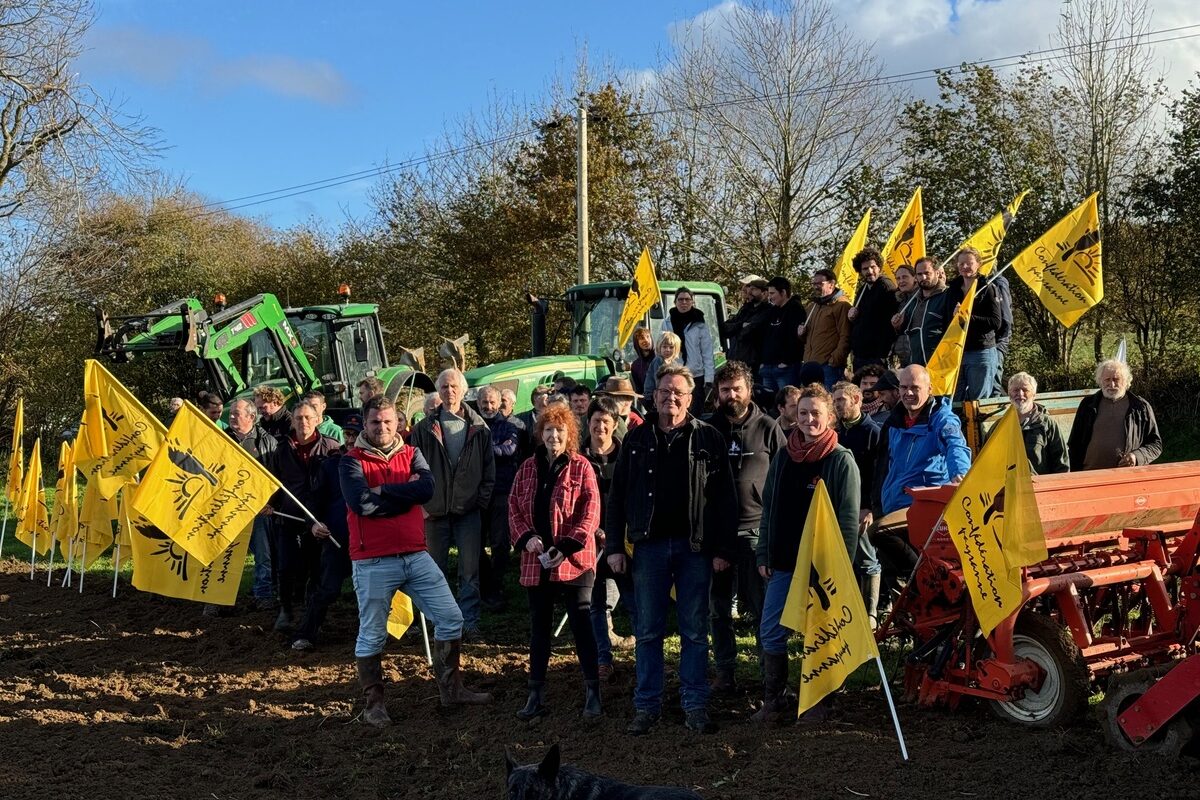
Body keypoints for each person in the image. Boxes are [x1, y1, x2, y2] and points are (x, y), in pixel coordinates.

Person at [341, 396, 491, 726]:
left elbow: (426, 490)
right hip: (373, 560)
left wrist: (382, 493)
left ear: (399, 424)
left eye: (387, 422)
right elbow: (359, 502)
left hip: (415, 553)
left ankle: (451, 690)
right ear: (365, 424)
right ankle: (373, 704)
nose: (381, 427)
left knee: (452, 618)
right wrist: (401, 495)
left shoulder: (412, 453)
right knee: (372, 634)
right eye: (375, 422)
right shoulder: (351, 461)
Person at [605, 364, 738, 736]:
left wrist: (723, 548)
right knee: (648, 631)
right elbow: (616, 498)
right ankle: (647, 706)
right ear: (654, 396)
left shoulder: (708, 438)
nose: (671, 398)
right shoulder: (636, 439)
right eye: (665, 392)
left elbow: (725, 498)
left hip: (695, 549)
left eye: (679, 392)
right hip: (647, 547)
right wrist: (615, 545)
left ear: (690, 398)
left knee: (695, 630)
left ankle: (695, 704)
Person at [754, 383, 860, 723]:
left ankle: (823, 701)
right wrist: (763, 554)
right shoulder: (784, 456)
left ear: (830, 417)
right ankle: (776, 700)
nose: (809, 419)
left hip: (821, 568)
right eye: (803, 413)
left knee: (821, 634)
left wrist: (837, 567)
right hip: (784, 562)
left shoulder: (840, 460)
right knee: (771, 630)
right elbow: (769, 508)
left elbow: (847, 521)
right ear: (793, 416)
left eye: (816, 413)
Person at [508, 403, 603, 719]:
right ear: (541, 433)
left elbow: (590, 514)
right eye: (548, 430)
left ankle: (593, 691)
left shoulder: (581, 467)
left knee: (581, 623)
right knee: (539, 628)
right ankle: (535, 694)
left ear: (570, 434)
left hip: (573, 559)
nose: (553, 435)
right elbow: (514, 510)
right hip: (537, 559)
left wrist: (565, 546)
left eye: (560, 430)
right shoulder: (527, 468)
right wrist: (527, 538)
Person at [706, 361, 786, 695]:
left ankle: (768, 679)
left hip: (757, 531)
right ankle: (725, 672)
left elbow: (784, 478)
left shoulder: (768, 427)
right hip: (718, 535)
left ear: (749, 390)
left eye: (737, 388)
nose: (731, 395)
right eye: (725, 390)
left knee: (762, 610)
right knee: (719, 609)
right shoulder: (707, 430)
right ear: (717, 394)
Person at [870, 365, 971, 604]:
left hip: (923, 506)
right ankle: (919, 602)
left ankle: (931, 580)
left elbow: (955, 444)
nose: (909, 393)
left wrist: (960, 474)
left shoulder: (941, 418)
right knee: (894, 568)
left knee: (879, 532)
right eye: (904, 387)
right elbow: (885, 465)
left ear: (929, 389)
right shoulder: (895, 422)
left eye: (915, 388)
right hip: (894, 504)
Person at [410, 368, 496, 638]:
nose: (449, 392)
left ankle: (468, 623)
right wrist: (423, 505)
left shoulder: (480, 428)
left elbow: (489, 472)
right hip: (434, 512)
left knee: (469, 572)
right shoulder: (424, 429)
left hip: (468, 512)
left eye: (453, 386)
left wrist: (479, 503)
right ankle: (435, 623)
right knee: (433, 572)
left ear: (463, 390)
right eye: (444, 387)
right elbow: (412, 469)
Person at [267, 402, 342, 633]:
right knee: (286, 567)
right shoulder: (282, 450)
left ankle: (313, 614)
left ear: (318, 419)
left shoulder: (331, 448)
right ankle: (286, 609)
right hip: (289, 516)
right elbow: (273, 482)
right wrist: (270, 504)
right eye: (299, 418)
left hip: (319, 519)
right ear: (293, 421)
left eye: (308, 418)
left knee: (316, 568)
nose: (304, 423)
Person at [582, 397, 636, 684]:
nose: (600, 427)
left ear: (615, 425)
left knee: (633, 600)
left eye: (606, 422)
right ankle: (603, 658)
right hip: (589, 543)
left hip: (623, 542)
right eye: (595, 421)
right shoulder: (578, 458)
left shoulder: (628, 456)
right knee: (596, 604)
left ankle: (646, 658)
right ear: (588, 424)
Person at [291, 415, 357, 651]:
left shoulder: (375, 464)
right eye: (347, 434)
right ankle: (305, 633)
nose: (350, 439)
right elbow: (314, 501)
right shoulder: (330, 466)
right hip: (337, 539)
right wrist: (313, 524)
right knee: (327, 590)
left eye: (355, 434)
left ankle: (385, 634)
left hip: (371, 543)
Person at [831, 381, 883, 626]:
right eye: (835, 400)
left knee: (867, 560)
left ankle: (870, 614)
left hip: (860, 509)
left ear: (857, 400)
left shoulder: (873, 432)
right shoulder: (834, 432)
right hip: (835, 507)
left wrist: (869, 507)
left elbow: (878, 473)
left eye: (841, 399)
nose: (837, 404)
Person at [225, 398, 278, 611]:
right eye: (231, 413)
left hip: (258, 508)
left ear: (251, 417)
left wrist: (271, 503)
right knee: (224, 555)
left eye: (236, 414)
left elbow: (275, 475)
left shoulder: (267, 442)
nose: (231, 417)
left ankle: (263, 594)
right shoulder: (221, 439)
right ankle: (219, 598)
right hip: (227, 507)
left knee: (263, 554)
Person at [1067, 359, 1162, 471]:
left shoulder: (1140, 407)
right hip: (1090, 475)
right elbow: (1074, 444)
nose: (1111, 384)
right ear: (1100, 381)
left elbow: (1156, 445)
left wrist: (1136, 456)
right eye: (1107, 379)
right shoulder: (1087, 405)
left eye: (1116, 380)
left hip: (1125, 478)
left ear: (1126, 382)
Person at [476, 385, 521, 611]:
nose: (489, 406)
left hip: (502, 492)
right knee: (475, 544)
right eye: (485, 402)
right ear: (478, 402)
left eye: (493, 402)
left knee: (501, 544)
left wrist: (482, 451)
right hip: (477, 493)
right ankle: (485, 585)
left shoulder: (510, 426)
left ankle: (497, 586)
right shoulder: (472, 427)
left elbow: (509, 450)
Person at [946, 247, 1003, 400]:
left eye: (969, 263)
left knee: (977, 401)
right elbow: (946, 319)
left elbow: (996, 322)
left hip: (981, 352)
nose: (965, 267)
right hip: (957, 351)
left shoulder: (988, 289)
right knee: (954, 400)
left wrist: (968, 317)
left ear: (978, 264)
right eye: (961, 263)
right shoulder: (952, 290)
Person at [1003, 372, 1069, 475]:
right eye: (1015, 390)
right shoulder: (1000, 427)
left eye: (1025, 390)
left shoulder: (1048, 425)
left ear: (1034, 395)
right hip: (1008, 489)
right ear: (1009, 394)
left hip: (1040, 488)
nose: (1020, 394)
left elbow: (1062, 466)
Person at [662, 287, 715, 415]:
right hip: (675, 373)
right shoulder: (667, 322)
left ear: (692, 302)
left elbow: (707, 352)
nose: (684, 302)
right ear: (675, 302)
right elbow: (663, 348)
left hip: (696, 375)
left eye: (687, 299)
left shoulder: (700, 323)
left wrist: (709, 378)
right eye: (680, 299)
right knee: (677, 410)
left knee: (695, 413)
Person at [798, 268, 851, 389]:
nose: (816, 287)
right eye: (814, 284)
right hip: (809, 366)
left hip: (828, 367)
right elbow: (807, 338)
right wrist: (801, 334)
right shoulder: (812, 307)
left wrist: (834, 361)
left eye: (820, 284)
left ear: (831, 284)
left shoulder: (842, 305)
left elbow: (845, 335)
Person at [847, 248, 898, 369]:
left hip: (878, 355)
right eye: (865, 269)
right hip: (861, 354)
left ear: (879, 267)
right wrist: (852, 317)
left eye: (873, 267)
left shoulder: (886, 286)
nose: (869, 271)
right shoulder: (862, 289)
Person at [895, 258, 951, 367]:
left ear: (937, 273)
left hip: (941, 363)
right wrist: (897, 325)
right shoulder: (913, 300)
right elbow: (907, 330)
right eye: (919, 274)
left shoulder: (948, 295)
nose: (923, 277)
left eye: (927, 273)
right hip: (916, 362)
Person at [759, 276, 807, 393]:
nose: (770, 297)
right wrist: (763, 361)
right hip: (768, 366)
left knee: (788, 402)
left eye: (772, 293)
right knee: (768, 402)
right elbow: (764, 336)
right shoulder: (772, 311)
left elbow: (796, 338)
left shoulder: (795, 309)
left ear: (783, 292)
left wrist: (786, 361)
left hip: (786, 369)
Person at [721, 275, 772, 376]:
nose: (747, 291)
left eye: (752, 288)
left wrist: (737, 328)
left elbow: (748, 333)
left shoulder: (768, 311)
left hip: (753, 365)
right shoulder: (745, 310)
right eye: (748, 288)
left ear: (764, 292)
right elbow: (724, 328)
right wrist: (741, 325)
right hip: (735, 361)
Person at [642, 330, 682, 405]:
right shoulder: (658, 360)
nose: (667, 350)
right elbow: (658, 381)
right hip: (652, 396)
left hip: (665, 393)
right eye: (664, 347)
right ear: (659, 347)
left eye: (671, 347)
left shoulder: (674, 363)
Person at [890, 265, 917, 367]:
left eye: (905, 277)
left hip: (917, 355)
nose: (901, 281)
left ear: (914, 278)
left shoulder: (922, 297)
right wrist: (896, 326)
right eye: (898, 278)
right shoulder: (900, 301)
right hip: (904, 356)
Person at [628, 327, 657, 394]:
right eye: (642, 338)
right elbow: (638, 390)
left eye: (648, 337)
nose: (646, 340)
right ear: (636, 342)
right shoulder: (635, 366)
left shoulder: (660, 359)